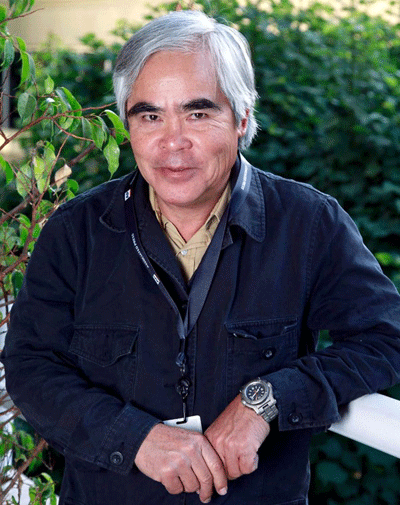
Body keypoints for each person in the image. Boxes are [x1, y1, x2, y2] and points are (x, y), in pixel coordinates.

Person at [2, 9, 400, 505]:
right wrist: (136, 438)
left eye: (198, 113)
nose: (172, 142)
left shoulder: (310, 224)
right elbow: (30, 365)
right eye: (150, 116)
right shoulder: (74, 233)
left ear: (242, 117)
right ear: (128, 125)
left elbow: (386, 337)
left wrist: (267, 400)